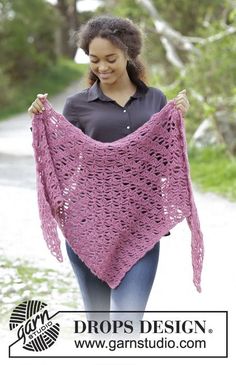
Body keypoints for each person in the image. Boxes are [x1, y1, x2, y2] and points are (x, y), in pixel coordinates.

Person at [28, 15, 189, 339]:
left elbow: (165, 164)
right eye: (95, 59)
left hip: (139, 230)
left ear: (128, 54)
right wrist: (39, 123)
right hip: (87, 229)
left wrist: (176, 119)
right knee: (100, 331)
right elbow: (59, 158)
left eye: (110, 59)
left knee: (128, 329)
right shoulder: (77, 106)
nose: (102, 67)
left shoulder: (155, 100)